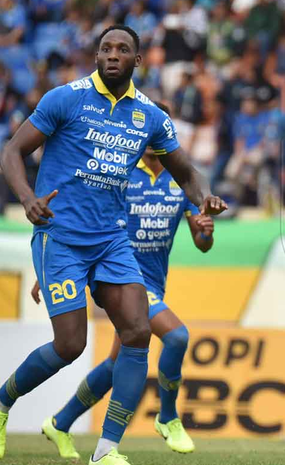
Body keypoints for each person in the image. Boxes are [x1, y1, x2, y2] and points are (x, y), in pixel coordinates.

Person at [0, 25, 226, 465]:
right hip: (60, 237)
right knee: (70, 346)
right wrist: (27, 198)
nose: (112, 54)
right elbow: (11, 152)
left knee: (139, 332)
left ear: (138, 61)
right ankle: (3, 403)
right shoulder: (65, 98)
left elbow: (186, 172)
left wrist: (204, 198)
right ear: (97, 54)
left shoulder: (149, 116)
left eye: (123, 49)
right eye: (105, 48)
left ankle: (106, 450)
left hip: (110, 240)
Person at [32, 102, 214, 459]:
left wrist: (205, 230)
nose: (147, 141)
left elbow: (203, 244)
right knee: (176, 336)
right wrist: (52, 266)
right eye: (142, 134)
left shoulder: (182, 182)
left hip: (152, 283)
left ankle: (60, 422)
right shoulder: (120, 173)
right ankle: (168, 416)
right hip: (118, 277)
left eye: (155, 134)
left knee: (117, 364)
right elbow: (82, 220)